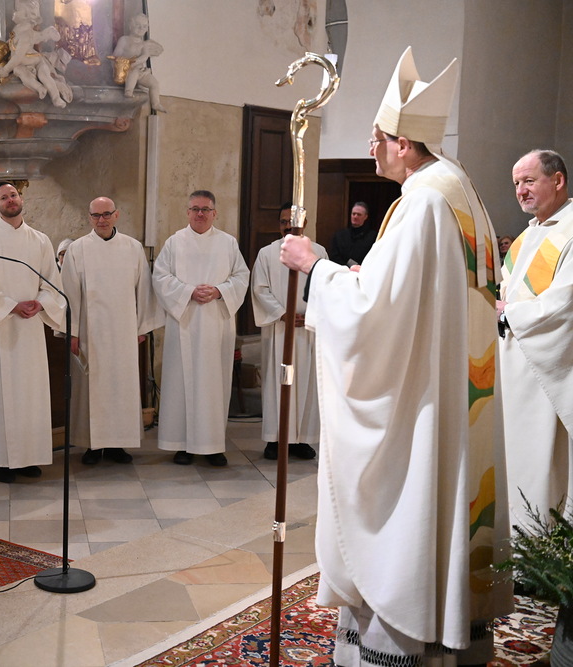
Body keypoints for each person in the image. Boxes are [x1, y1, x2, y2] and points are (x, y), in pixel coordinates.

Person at [279, 47, 511, 664]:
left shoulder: (423, 202)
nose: (370, 146)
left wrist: (316, 267)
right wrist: (365, 278)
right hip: (455, 388)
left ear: (404, 144)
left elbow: (372, 315)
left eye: (378, 137)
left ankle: (397, 638)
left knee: (404, 504)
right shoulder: (460, 190)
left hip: (422, 398)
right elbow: (415, 298)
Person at [0, 181, 65, 483]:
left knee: (30, 394)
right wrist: (11, 306)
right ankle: (3, 460)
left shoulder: (40, 240)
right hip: (0, 328)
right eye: (3, 197)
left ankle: (28, 457)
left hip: (30, 328)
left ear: (21, 199)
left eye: (13, 195)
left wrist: (41, 303)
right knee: (1, 393)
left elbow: (52, 283)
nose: (10, 200)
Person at [498, 149, 573, 529]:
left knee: (544, 463)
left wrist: (508, 313)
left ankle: (544, 543)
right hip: (512, 368)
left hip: (548, 373)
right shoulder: (527, 235)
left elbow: (564, 304)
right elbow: (504, 292)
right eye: (516, 184)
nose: (521, 191)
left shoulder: (570, 230)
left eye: (529, 181)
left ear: (557, 181)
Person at [62, 196, 162, 465]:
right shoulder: (77, 249)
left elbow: (144, 289)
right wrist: (72, 332)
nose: (102, 220)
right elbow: (70, 293)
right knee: (92, 390)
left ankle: (118, 444)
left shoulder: (132, 247)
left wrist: (142, 326)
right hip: (90, 333)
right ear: (89, 218)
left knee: (121, 388)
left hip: (123, 332)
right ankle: (93, 446)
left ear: (117, 215)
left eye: (107, 214)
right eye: (96, 215)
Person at [152, 190, 249, 467]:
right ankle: (182, 445)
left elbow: (242, 277)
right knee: (180, 383)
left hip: (216, 323)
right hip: (184, 322)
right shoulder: (174, 242)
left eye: (205, 209)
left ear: (214, 213)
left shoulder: (228, 243)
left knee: (213, 384)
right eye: (195, 209)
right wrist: (188, 292)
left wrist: (219, 291)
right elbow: (160, 277)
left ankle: (212, 445)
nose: (200, 214)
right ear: (187, 212)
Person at [251, 204, 323, 461]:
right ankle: (275, 439)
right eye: (283, 222)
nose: (288, 227)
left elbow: (325, 287)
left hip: (307, 329)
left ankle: (301, 439)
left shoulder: (319, 253)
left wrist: (310, 313)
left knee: (306, 385)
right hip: (280, 330)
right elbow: (259, 289)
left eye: (293, 222)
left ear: (305, 223)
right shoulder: (267, 253)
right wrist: (283, 314)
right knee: (277, 383)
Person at [329, 201, 376, 267]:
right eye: (353, 214)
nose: (355, 216)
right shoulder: (339, 236)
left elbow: (373, 257)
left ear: (365, 217)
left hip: (363, 270)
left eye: (359, 214)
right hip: (341, 270)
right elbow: (334, 257)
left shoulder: (373, 237)